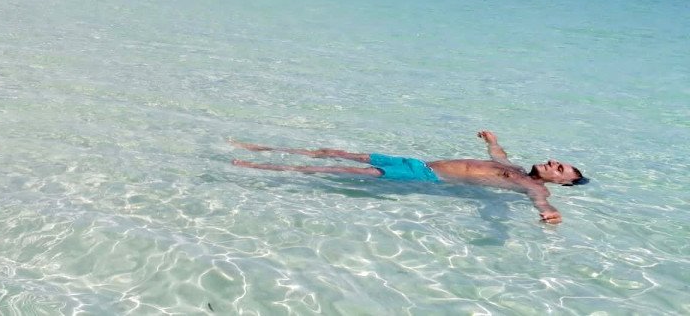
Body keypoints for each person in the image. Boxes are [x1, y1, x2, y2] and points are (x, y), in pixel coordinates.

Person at [230, 130, 587, 224]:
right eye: (558, 161)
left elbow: (538, 200)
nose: (554, 162)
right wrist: (493, 141)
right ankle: (259, 148)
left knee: (339, 169)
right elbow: (498, 157)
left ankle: (260, 168)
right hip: (416, 162)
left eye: (560, 168)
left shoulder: (528, 185)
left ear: (563, 183)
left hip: (425, 178)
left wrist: (547, 212)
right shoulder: (516, 168)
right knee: (337, 153)